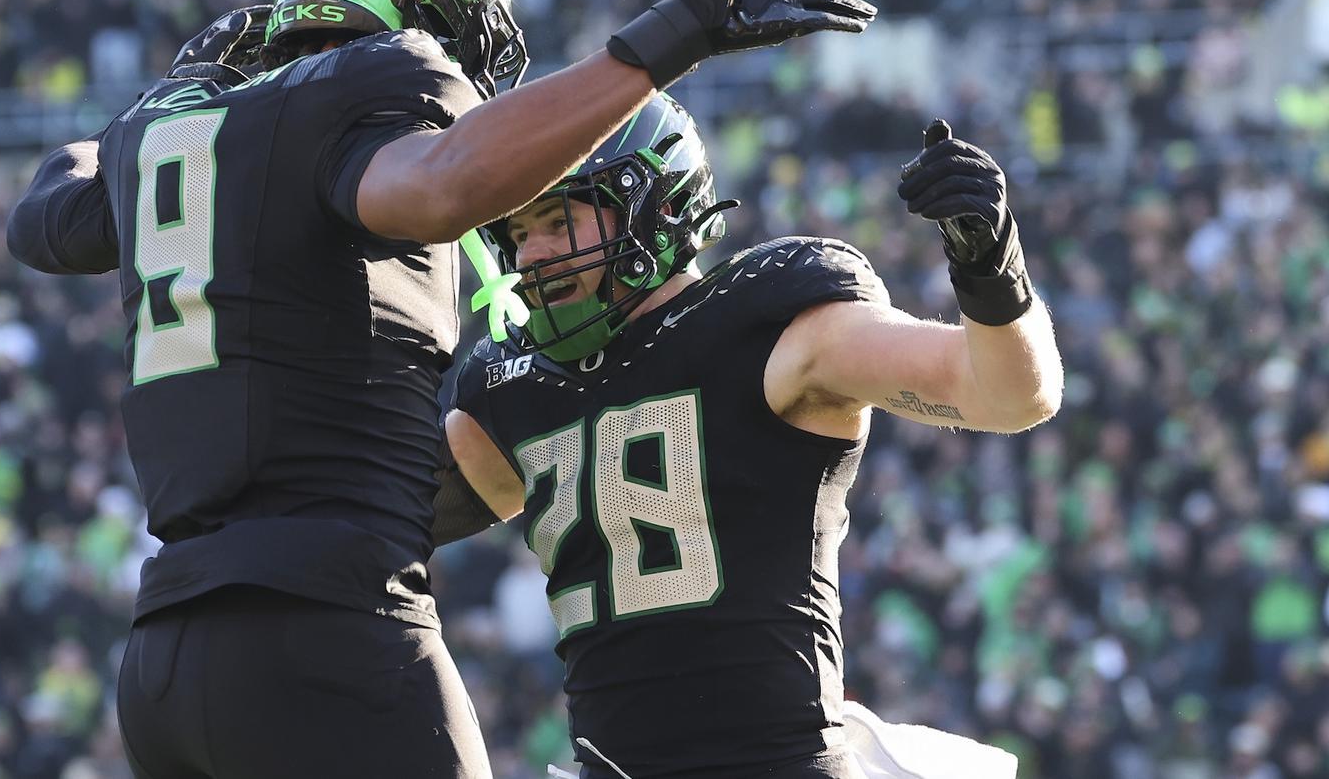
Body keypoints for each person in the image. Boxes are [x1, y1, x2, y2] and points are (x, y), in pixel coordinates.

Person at [4, 0, 879, 777]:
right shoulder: (368, 85)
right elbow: (441, 186)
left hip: (164, 657)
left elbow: (43, 222)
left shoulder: (172, 132)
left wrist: (159, 102)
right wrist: (676, 36)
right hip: (326, 631)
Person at [441, 96, 1064, 779]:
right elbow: (375, 519)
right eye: (517, 232)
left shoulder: (767, 323)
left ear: (653, 206)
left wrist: (992, 270)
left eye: (556, 221)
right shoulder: (515, 388)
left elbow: (1010, 397)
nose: (531, 254)